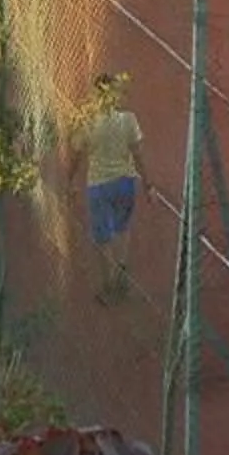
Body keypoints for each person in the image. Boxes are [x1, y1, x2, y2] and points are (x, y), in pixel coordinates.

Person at [82, 72, 146, 295]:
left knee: (103, 238)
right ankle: (122, 269)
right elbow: (138, 154)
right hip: (126, 182)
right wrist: (148, 184)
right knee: (122, 229)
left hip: (99, 185)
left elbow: (76, 154)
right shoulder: (129, 119)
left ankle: (109, 284)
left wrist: (69, 181)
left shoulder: (88, 122)